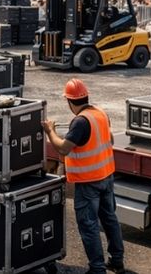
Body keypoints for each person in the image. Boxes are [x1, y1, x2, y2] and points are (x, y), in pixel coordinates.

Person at [43, 79, 127, 274]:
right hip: (107, 176)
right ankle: (117, 260)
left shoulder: (80, 122)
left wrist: (50, 131)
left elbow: (63, 147)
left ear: (70, 102)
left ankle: (97, 269)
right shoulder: (100, 113)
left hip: (89, 182)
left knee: (88, 226)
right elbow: (110, 139)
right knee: (110, 219)